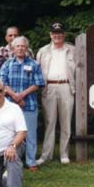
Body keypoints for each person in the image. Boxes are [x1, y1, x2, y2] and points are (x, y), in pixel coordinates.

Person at [0, 36, 44, 172]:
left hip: (29, 104)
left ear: (26, 48)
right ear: (13, 48)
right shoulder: (7, 64)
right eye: (17, 46)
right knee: (9, 133)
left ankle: (31, 161)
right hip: (10, 105)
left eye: (23, 46)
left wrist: (22, 95)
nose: (20, 48)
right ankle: (8, 158)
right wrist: (14, 96)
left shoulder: (34, 64)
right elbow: (3, 83)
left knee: (30, 134)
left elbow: (38, 83)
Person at [35, 22, 76, 165]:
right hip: (49, 88)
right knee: (49, 122)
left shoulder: (73, 50)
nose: (57, 35)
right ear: (50, 35)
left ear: (63, 34)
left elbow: (80, 70)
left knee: (66, 123)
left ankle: (64, 154)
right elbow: (36, 71)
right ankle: (46, 155)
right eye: (54, 33)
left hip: (66, 86)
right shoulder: (43, 51)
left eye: (59, 33)